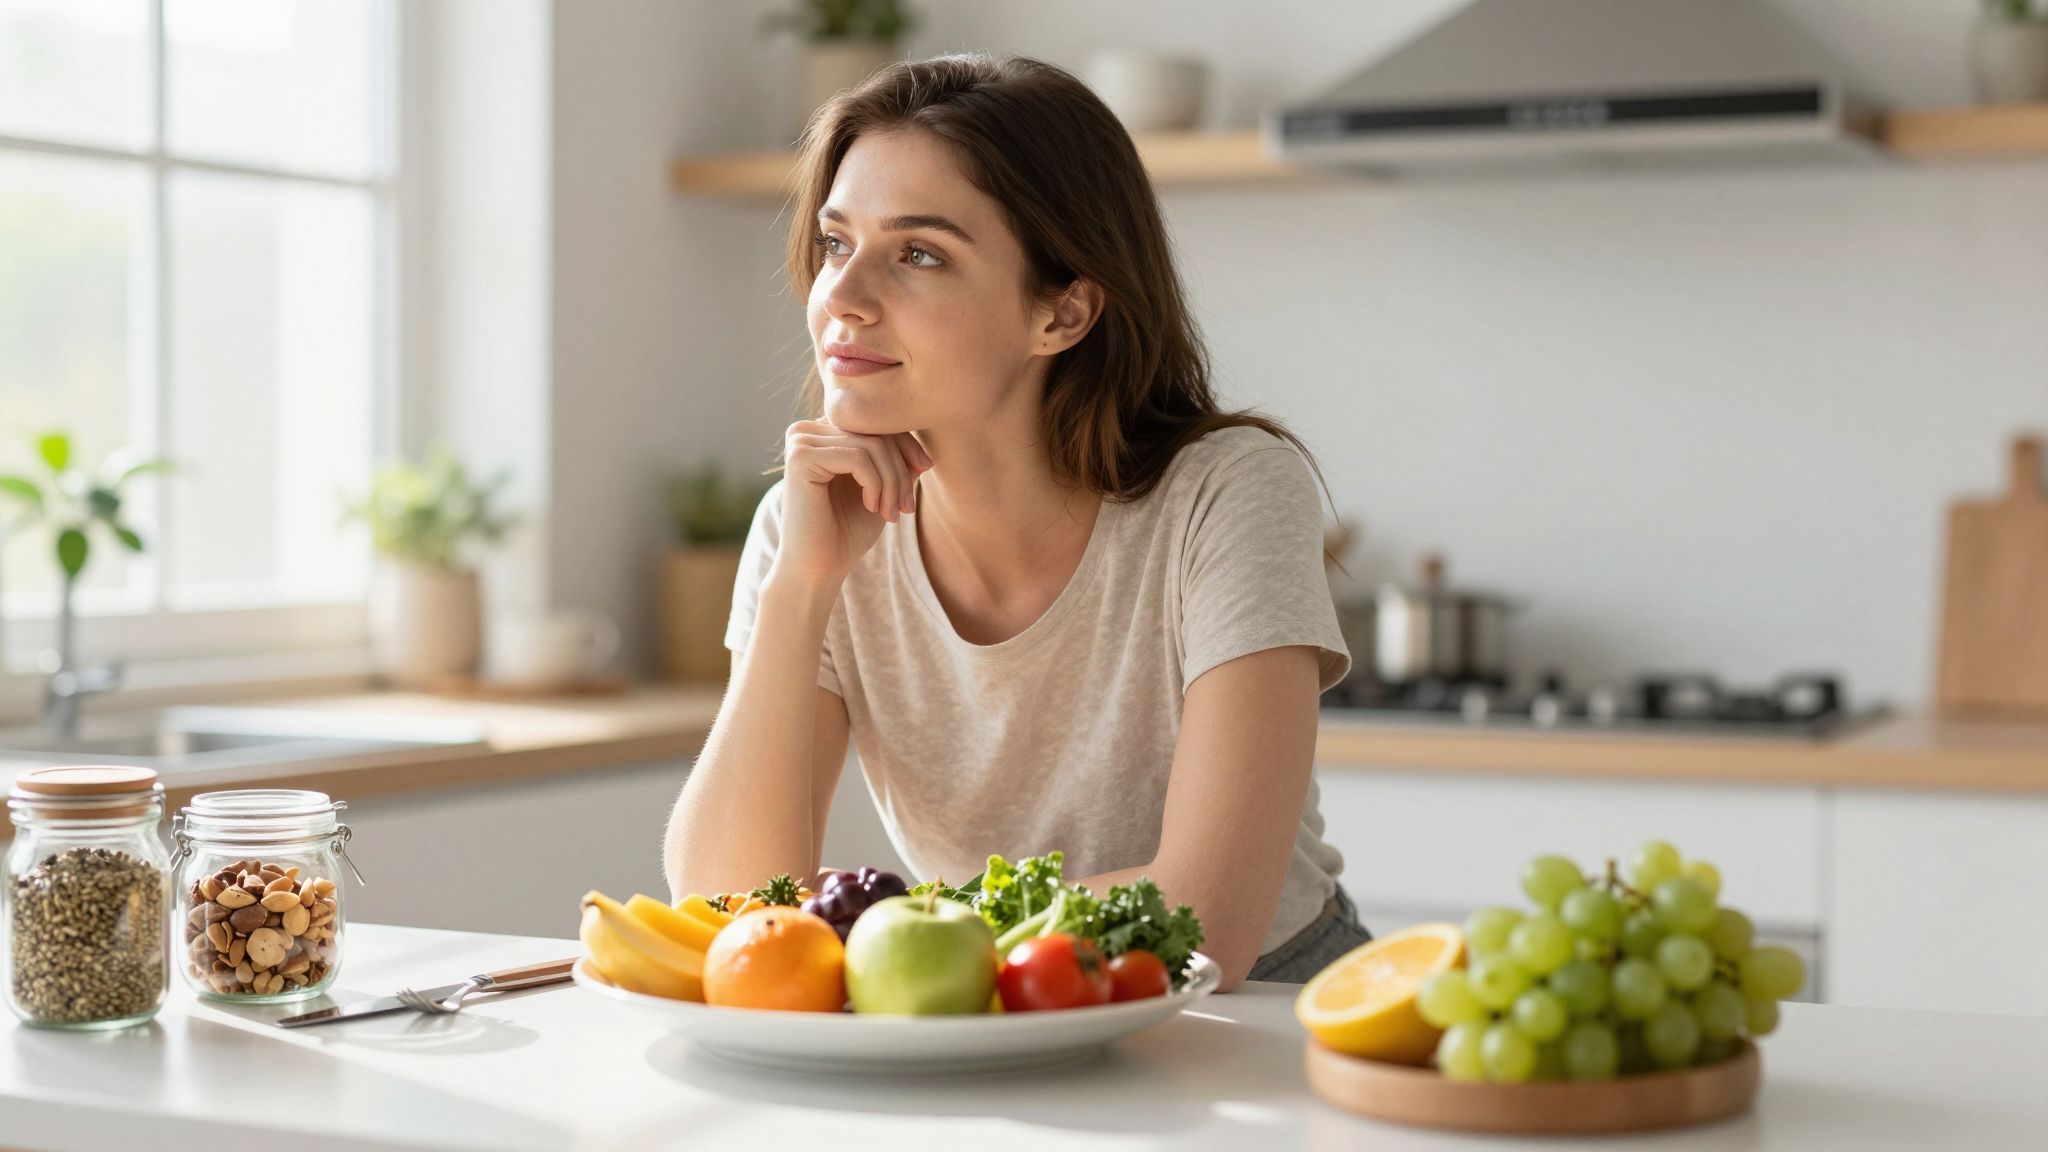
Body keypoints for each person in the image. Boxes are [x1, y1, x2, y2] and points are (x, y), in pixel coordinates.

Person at [663, 53, 1366, 989]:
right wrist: (801, 587)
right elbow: (724, 907)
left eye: (919, 254)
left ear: (1063, 312)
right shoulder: (808, 527)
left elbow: (1210, 919)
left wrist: (900, 936)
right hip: (971, 996)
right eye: (837, 244)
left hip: (1257, 1005)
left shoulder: (1226, 493)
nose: (843, 296)